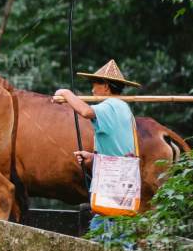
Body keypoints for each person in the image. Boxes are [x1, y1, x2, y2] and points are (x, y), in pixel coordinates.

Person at [53, 60, 142, 237]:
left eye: (95, 84)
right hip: (123, 188)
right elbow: (118, 151)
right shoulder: (123, 108)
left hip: (113, 192)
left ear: (106, 87)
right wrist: (93, 158)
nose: (92, 89)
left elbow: (86, 112)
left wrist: (66, 93)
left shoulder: (111, 106)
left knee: (105, 239)